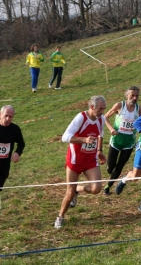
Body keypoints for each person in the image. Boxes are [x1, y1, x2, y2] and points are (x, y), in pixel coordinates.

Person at [54, 96, 107, 228]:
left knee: (96, 189)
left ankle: (79, 188)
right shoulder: (81, 117)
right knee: (69, 193)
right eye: (100, 108)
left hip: (90, 160)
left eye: (103, 109)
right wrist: (84, 140)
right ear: (92, 107)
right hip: (75, 160)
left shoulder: (102, 119)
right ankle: (60, 216)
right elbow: (65, 137)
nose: (102, 111)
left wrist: (99, 151)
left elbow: (100, 135)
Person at [103, 87, 141, 195]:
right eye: (132, 95)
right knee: (111, 166)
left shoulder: (139, 109)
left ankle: (107, 187)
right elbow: (105, 117)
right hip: (116, 139)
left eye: (137, 96)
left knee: (120, 166)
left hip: (129, 141)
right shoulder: (119, 105)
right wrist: (111, 129)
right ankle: (109, 169)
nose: (135, 98)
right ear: (127, 95)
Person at [0, 105, 25, 195]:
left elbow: (21, 143)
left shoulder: (15, 129)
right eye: (6, 115)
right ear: (0, 114)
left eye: (10, 117)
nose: (8, 119)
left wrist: (17, 153)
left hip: (3, 167)